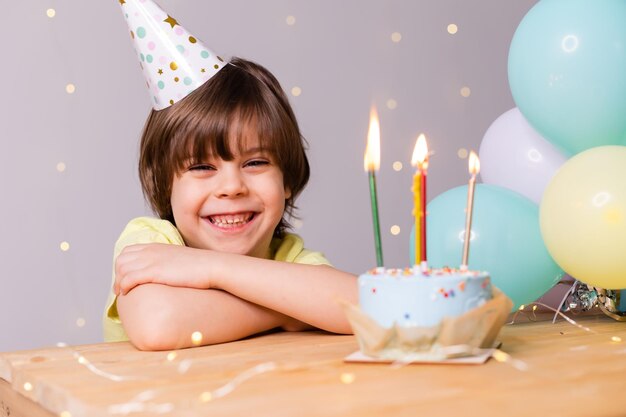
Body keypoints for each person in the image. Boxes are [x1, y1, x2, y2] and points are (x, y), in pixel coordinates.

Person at [102, 56, 357, 350]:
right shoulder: (152, 243)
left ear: (286, 179)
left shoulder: (287, 255)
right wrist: (289, 308)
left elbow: (371, 308)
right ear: (165, 183)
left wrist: (212, 268)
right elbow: (158, 325)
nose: (232, 187)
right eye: (201, 167)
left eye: (255, 162)